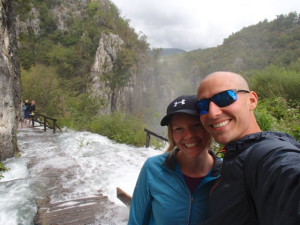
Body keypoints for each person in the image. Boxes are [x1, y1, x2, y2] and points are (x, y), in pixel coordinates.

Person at [196, 71, 300, 225]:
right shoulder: (235, 156)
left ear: (252, 100)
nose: (213, 113)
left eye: (224, 98)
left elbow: (288, 171)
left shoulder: (267, 153)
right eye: (203, 106)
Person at [128, 95, 222, 225]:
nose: (189, 135)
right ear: (171, 134)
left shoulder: (226, 173)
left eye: (196, 125)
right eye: (179, 128)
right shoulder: (153, 168)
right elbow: (136, 221)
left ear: (207, 126)